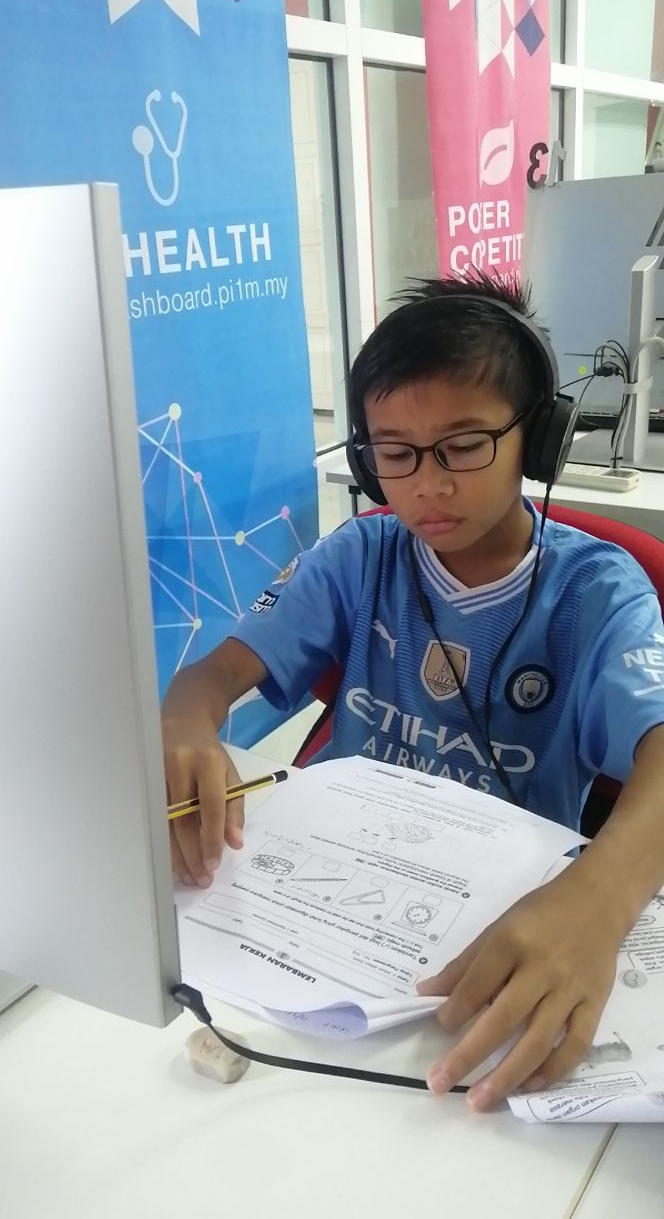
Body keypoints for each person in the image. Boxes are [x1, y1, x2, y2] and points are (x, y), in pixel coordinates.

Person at [162, 271, 664, 1111]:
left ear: (539, 440)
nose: (426, 484)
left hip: (502, 931)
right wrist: (184, 721)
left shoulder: (598, 593)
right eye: (394, 454)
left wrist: (600, 899)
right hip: (326, 912)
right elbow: (211, 678)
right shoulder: (360, 555)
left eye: (463, 446)